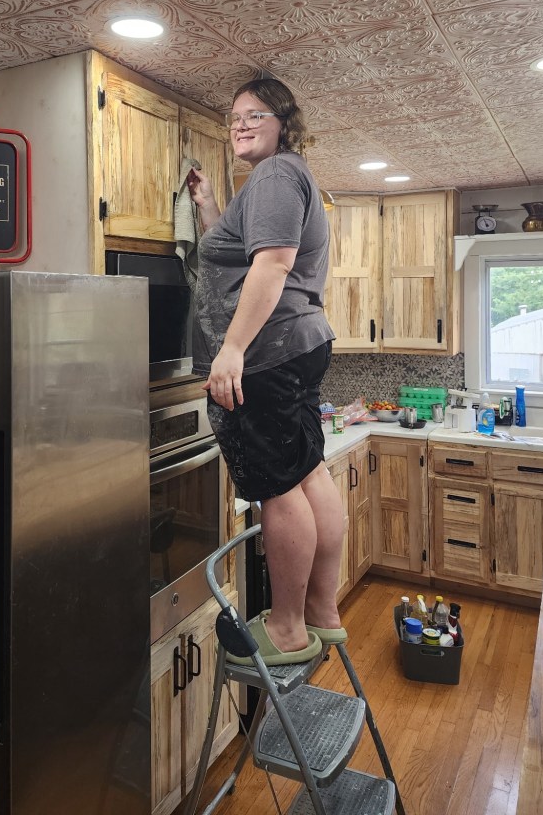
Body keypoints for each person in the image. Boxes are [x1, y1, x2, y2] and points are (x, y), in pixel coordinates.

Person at [187, 77, 345, 665]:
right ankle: (321, 614)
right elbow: (240, 259)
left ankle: (286, 630)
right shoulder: (280, 179)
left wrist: (231, 350)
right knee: (307, 474)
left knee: (279, 490)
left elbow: (273, 265)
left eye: (256, 114)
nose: (241, 123)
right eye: (235, 116)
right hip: (295, 346)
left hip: (266, 354)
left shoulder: (276, 174)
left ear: (284, 122)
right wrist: (209, 209)